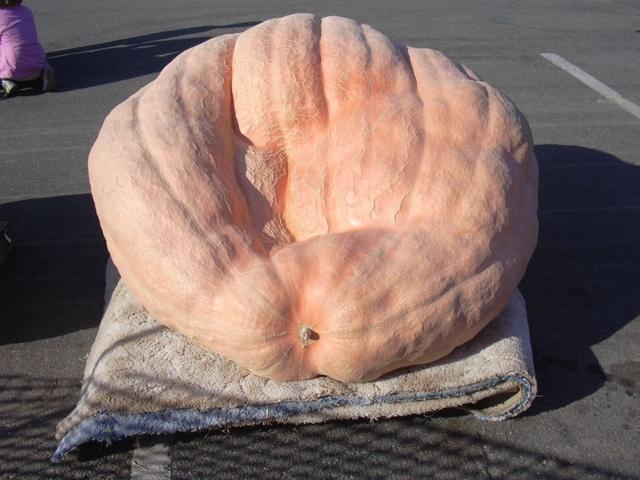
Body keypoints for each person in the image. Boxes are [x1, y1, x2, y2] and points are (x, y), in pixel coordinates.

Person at [0, 0, 55, 97]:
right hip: (37, 58)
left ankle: (5, 82)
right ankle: (42, 75)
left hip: (13, 64)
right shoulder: (27, 11)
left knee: (10, 54)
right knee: (30, 69)